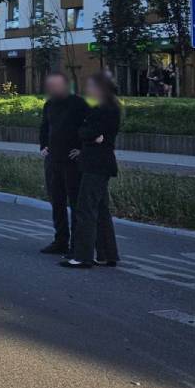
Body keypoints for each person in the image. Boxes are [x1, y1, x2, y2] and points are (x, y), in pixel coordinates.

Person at [61, 72, 122, 269]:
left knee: (85, 209)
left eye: (91, 86)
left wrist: (87, 134)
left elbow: (87, 131)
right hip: (100, 163)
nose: (88, 90)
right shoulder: (110, 107)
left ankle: (82, 256)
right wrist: (89, 135)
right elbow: (90, 133)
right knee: (101, 210)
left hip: (96, 164)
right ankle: (106, 254)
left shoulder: (105, 109)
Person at [37, 71, 88, 255]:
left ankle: (77, 243)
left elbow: (88, 127)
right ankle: (60, 240)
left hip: (72, 161)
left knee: (75, 203)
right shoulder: (49, 105)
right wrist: (43, 146)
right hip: (53, 160)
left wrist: (82, 149)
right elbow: (44, 127)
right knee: (56, 202)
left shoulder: (78, 104)